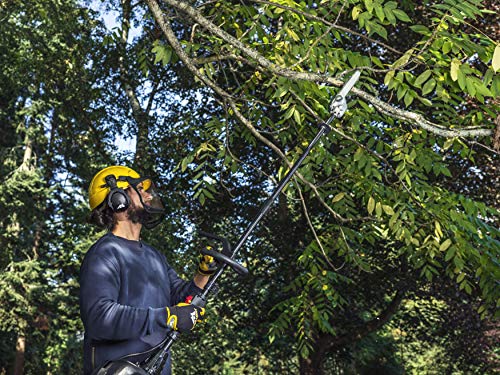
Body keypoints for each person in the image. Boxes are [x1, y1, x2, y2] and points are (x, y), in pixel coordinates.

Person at [79, 165, 217, 375]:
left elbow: (179, 297)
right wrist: (167, 317)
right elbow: (100, 318)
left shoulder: (155, 256)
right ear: (118, 199)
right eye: (139, 189)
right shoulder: (105, 253)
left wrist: (203, 274)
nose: (147, 195)